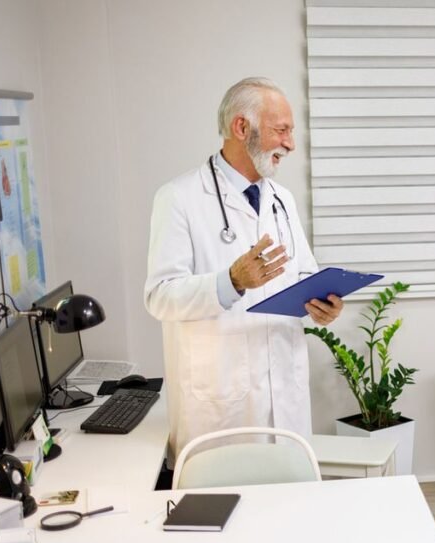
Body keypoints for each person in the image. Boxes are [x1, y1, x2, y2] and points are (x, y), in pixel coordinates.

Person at [145, 77, 343, 464]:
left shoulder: (281, 199)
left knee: (287, 512)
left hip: (285, 403)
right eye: (281, 131)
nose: (290, 144)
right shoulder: (180, 198)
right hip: (220, 410)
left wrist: (322, 304)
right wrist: (231, 282)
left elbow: (304, 275)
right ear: (241, 127)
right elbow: (159, 296)